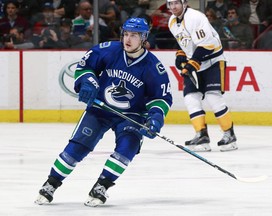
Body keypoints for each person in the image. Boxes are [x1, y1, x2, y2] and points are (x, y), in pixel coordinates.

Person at [34, 17, 173, 206]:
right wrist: (87, 82)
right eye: (126, 34)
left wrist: (156, 117)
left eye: (134, 35)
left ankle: (102, 186)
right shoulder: (108, 50)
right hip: (100, 108)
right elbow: (84, 67)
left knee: (128, 148)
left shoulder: (154, 67)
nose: (128, 39)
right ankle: (51, 183)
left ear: (144, 38)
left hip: (130, 116)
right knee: (78, 146)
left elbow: (161, 98)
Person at [167, 0, 238, 152]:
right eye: (169, 4)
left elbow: (207, 45)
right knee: (190, 98)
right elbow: (183, 42)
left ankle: (229, 134)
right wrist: (181, 55)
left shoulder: (196, 17)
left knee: (213, 97)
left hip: (212, 61)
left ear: (184, 3)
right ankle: (201, 135)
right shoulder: (172, 21)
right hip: (196, 61)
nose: (173, 7)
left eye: (176, 3)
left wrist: (192, 63)